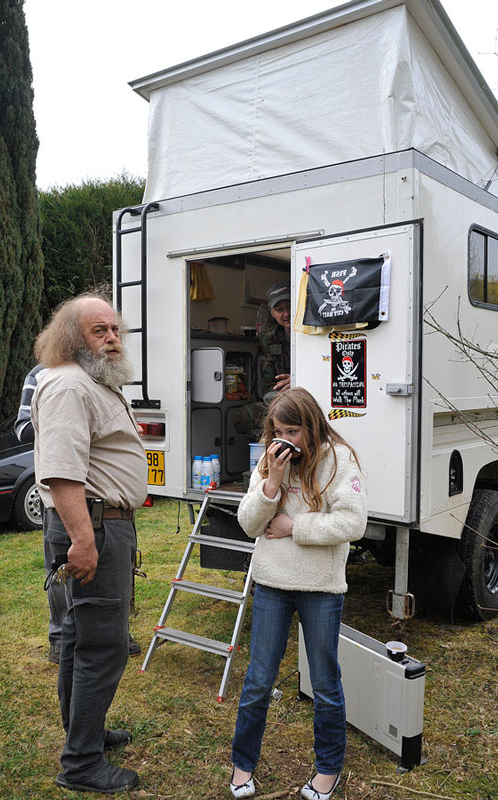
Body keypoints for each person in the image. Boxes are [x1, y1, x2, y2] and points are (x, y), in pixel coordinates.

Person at [31, 293, 148, 794]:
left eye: (115, 330)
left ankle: (87, 734)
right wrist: (84, 539)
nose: (112, 340)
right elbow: (61, 472)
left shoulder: (91, 381)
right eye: (100, 331)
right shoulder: (69, 386)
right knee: (103, 645)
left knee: (83, 639)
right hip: (92, 527)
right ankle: (81, 763)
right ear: (73, 338)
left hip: (100, 524)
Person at [229, 388, 367, 800]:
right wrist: (271, 480)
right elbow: (249, 524)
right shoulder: (272, 459)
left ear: (312, 427)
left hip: (320, 586)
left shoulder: (339, 460)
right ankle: (242, 765)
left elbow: (353, 523)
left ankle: (327, 769)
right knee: (258, 679)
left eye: (293, 430)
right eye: (277, 430)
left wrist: (296, 528)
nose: (284, 438)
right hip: (272, 582)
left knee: (325, 682)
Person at [15, 364, 141, 665]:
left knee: (118, 566)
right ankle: (61, 638)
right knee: (63, 569)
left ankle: (115, 631)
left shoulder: (104, 375)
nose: (110, 339)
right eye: (98, 331)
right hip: (68, 495)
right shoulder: (44, 375)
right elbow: (22, 428)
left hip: (109, 499)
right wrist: (68, 424)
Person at [235, 280, 291, 442]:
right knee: (243, 417)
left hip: (310, 398)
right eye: (279, 309)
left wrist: (298, 382)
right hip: (280, 400)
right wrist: (280, 400)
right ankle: (272, 451)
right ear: (272, 313)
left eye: (289, 306)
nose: (286, 314)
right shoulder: (269, 339)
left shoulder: (312, 332)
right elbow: (267, 387)